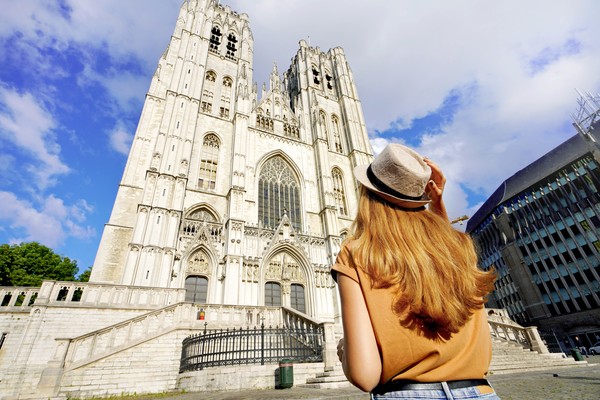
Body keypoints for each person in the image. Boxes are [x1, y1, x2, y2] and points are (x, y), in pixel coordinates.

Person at [331, 143, 499, 399]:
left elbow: (365, 375)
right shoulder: (461, 247)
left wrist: (345, 351)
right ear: (419, 198)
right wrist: (436, 205)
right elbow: (435, 259)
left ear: (367, 195)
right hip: (481, 392)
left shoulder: (355, 253)